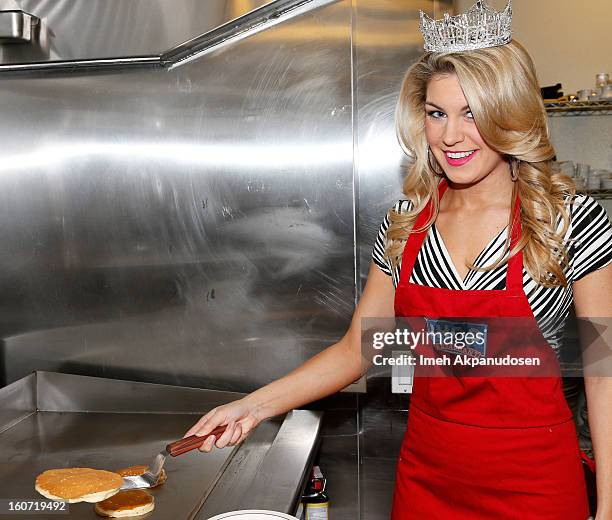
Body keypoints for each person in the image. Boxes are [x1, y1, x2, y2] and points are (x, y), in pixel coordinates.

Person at [186, 1, 612, 518]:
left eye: (472, 113)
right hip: (427, 480)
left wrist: (608, 505)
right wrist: (250, 407)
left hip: (535, 484)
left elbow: (602, 367)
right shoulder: (408, 223)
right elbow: (358, 351)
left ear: (509, 113)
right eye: (437, 113)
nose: (451, 136)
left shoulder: (567, 219)